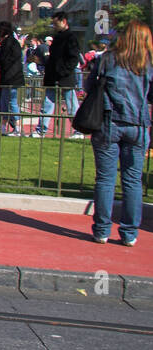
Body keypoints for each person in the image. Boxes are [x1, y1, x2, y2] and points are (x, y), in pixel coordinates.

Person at [88, 19, 153, 246]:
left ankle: (102, 230)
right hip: (137, 124)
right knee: (132, 180)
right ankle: (129, 232)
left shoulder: (108, 58)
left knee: (105, 179)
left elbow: (89, 86)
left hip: (109, 122)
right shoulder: (147, 64)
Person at [34, 12, 81, 137]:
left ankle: (78, 130)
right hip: (53, 75)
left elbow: (73, 58)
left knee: (72, 105)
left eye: (56, 23)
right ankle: (41, 130)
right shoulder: (58, 37)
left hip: (64, 77)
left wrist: (63, 71)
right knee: (48, 104)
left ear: (64, 21)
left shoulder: (71, 37)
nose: (54, 26)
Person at [0, 21, 24, 135]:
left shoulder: (8, 44)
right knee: (5, 103)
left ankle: (17, 127)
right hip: (12, 76)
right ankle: (3, 126)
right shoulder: (13, 43)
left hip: (9, 77)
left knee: (10, 103)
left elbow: (2, 59)